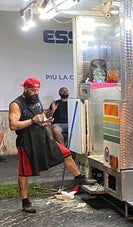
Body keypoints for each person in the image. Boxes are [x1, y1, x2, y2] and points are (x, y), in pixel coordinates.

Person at [9, 77, 97, 213]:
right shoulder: (16, 104)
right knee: (24, 172)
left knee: (66, 154)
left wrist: (45, 120)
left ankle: (79, 178)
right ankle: (25, 201)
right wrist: (32, 121)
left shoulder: (36, 99)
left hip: (43, 138)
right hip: (26, 142)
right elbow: (13, 125)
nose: (35, 92)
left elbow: (40, 115)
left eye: (37, 90)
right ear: (25, 89)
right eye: (32, 90)